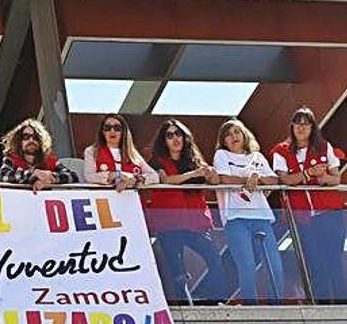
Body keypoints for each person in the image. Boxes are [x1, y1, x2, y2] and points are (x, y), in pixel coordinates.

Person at [270, 107, 346, 303]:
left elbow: (336, 179)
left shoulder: (324, 147)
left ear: (313, 127)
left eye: (306, 123)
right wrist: (307, 174)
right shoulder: (281, 151)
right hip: (303, 218)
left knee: (334, 261)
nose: (301, 128)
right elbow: (284, 179)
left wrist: (323, 177)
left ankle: (341, 306)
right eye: (298, 123)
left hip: (330, 213)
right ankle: (320, 306)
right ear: (292, 127)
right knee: (315, 263)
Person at [147, 119, 227, 302]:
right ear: (164, 140)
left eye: (178, 134)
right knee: (178, 272)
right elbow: (165, 180)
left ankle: (214, 302)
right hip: (169, 224)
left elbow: (214, 183)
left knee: (215, 260)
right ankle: (187, 308)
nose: (175, 138)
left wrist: (211, 173)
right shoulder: (157, 161)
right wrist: (193, 174)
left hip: (195, 223)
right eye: (170, 135)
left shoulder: (194, 160)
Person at [213, 118, 282, 304]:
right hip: (235, 217)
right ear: (223, 140)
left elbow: (274, 181)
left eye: (237, 132)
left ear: (244, 135)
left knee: (273, 264)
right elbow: (223, 179)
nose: (233, 136)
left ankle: (277, 307)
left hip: (261, 216)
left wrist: (257, 177)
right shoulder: (221, 155)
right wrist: (246, 179)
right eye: (228, 134)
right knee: (246, 265)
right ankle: (251, 308)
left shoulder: (257, 157)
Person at [0, 118, 78, 191]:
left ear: (41, 141)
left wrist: (49, 179)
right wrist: (33, 173)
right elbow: (3, 175)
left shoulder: (49, 159)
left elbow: (72, 176)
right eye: (26, 137)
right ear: (19, 141)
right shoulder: (11, 158)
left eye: (36, 137)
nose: (31, 140)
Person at [83, 114, 159, 191]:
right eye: (107, 128)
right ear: (102, 132)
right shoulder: (92, 151)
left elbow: (154, 176)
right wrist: (115, 175)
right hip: (103, 198)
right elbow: (89, 176)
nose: (112, 131)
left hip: (131, 198)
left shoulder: (132, 153)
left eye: (117, 128)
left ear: (123, 132)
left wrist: (136, 179)